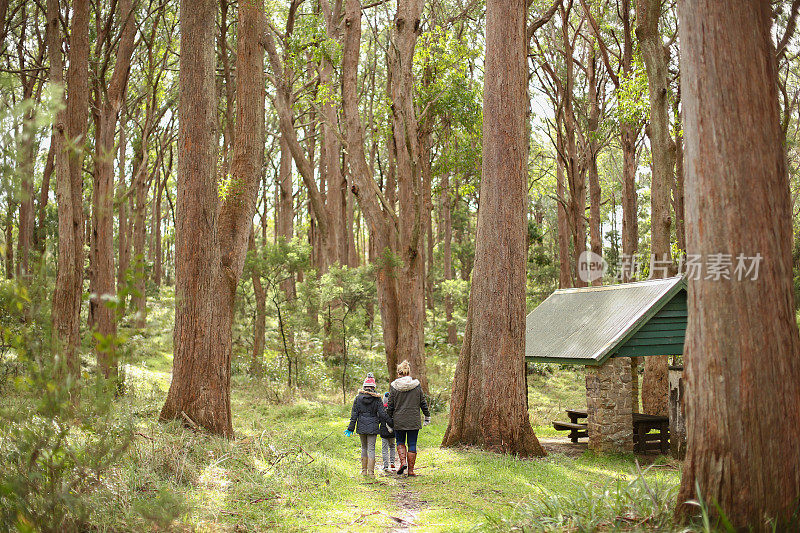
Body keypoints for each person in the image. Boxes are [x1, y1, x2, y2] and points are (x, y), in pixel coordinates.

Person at [388, 360, 430, 477]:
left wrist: (388, 421)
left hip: (399, 420)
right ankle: (411, 471)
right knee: (412, 443)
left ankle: (403, 463)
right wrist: (427, 415)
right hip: (413, 420)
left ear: (398, 373)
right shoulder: (416, 385)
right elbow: (423, 402)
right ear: (408, 372)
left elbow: (390, 405)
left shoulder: (394, 386)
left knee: (400, 441)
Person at [344, 373, 391, 477]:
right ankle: (371, 473)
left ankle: (364, 471)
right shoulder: (377, 398)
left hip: (361, 426)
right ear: (373, 387)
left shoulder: (358, 398)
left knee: (364, 448)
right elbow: (382, 413)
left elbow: (354, 414)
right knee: (371, 449)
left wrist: (350, 428)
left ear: (364, 386)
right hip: (373, 426)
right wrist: (391, 422)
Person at [379, 392, 396, 472]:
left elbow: (378, 420)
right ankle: (392, 462)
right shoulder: (394, 410)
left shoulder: (381, 410)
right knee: (392, 446)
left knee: (384, 449)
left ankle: (385, 465)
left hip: (383, 432)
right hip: (392, 432)